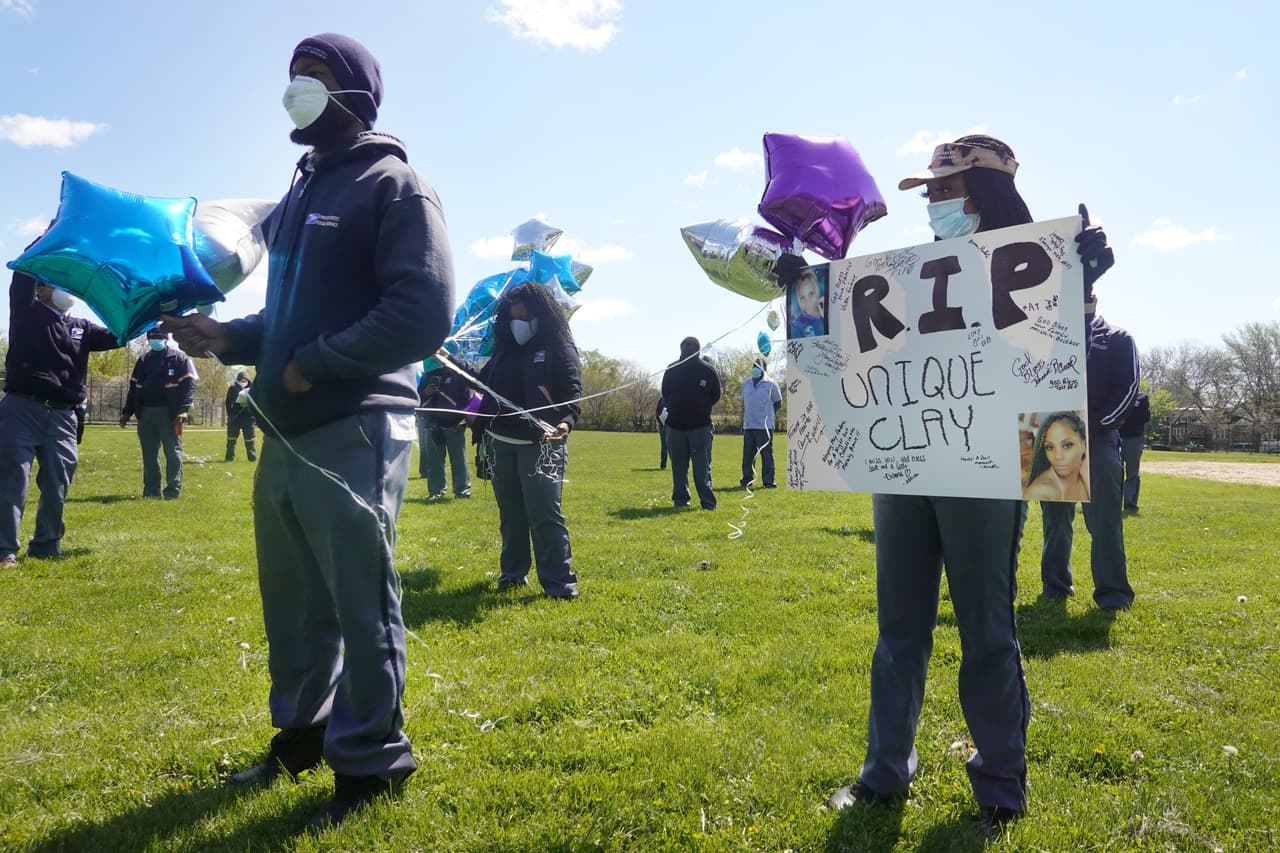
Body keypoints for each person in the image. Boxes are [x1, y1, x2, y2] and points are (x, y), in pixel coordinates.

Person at [162, 32, 454, 830]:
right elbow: (287, 314)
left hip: (356, 423)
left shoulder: (395, 186)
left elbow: (423, 311)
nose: (297, 91)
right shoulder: (298, 196)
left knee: (360, 599)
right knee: (293, 602)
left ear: (356, 91)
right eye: (292, 78)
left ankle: (372, 763)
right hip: (288, 430)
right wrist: (229, 337)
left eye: (315, 78)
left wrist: (315, 364)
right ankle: (303, 733)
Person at [825, 134, 1116, 832]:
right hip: (903, 463)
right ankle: (884, 771)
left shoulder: (1035, 266)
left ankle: (1000, 781)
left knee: (987, 627)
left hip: (986, 469)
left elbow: (1057, 359)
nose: (929, 203)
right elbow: (845, 353)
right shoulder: (905, 272)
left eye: (941, 190)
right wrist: (805, 291)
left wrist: (1086, 281)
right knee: (900, 625)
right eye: (927, 191)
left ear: (979, 193)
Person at [0, 269, 121, 567]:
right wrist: (50, 235)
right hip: (22, 409)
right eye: (56, 285)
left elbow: (120, 334)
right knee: (14, 480)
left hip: (64, 416)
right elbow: (23, 275)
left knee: (57, 482)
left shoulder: (82, 328)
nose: (65, 291)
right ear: (40, 290)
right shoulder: (27, 311)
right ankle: (5, 550)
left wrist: (149, 312)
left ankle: (46, 544)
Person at [475, 282, 580, 598]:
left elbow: (573, 394)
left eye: (523, 315)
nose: (517, 322)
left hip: (542, 445)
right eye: (512, 316)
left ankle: (559, 582)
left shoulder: (559, 348)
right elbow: (482, 382)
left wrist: (565, 422)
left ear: (540, 315)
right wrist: (450, 362)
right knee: (511, 513)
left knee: (545, 512)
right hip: (500, 443)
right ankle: (513, 574)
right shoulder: (503, 351)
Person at [1039, 306, 1139, 610]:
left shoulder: (1117, 338)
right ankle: (1055, 586)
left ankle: (1113, 593)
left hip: (1099, 440)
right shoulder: (1043, 338)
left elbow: (1128, 389)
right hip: (1053, 438)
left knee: (1105, 522)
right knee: (1055, 521)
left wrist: (1092, 427)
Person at [119, 330, 196, 500]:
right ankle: (151, 491)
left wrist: (183, 410)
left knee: (173, 452)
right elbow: (133, 389)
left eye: (158, 338)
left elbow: (189, 387)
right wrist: (127, 411)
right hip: (146, 413)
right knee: (149, 454)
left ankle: (173, 491)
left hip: (170, 414)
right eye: (151, 338)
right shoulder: (143, 361)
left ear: (166, 339)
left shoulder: (179, 359)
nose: (154, 340)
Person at [660, 337, 721, 509]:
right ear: (680, 349)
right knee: (678, 469)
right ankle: (681, 500)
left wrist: (701, 407)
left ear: (698, 349)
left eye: (691, 347)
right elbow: (666, 392)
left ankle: (708, 502)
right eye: (685, 346)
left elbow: (716, 394)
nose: (688, 349)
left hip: (700, 427)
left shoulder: (707, 370)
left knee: (702, 468)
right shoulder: (672, 369)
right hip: (675, 426)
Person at [418, 363, 474, 499]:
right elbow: (416, 398)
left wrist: (464, 421)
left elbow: (468, 402)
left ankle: (462, 490)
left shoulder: (459, 376)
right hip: (432, 424)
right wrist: (425, 393)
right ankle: (436, 491)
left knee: (459, 459)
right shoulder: (428, 376)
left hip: (455, 425)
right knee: (434, 461)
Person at [1022, 412, 1091, 502]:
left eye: (1067, 445)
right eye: (1050, 447)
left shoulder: (1093, 472)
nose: (1058, 456)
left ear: (1084, 444)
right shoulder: (1040, 491)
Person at [740, 356, 782, 488]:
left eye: (758, 367)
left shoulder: (771, 384)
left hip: (764, 426)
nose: (755, 369)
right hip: (749, 425)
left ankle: (768, 481)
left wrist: (767, 415)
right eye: (754, 366)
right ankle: (747, 479)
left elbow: (778, 403)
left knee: (766, 454)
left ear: (764, 369)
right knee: (748, 455)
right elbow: (745, 402)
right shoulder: (746, 384)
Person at [1118, 391, 1150, 511]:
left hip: (1134, 439)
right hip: (1117, 437)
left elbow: (1145, 417)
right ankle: (1114, 502)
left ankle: (1130, 503)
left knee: (1132, 473)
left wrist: (1127, 413)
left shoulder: (1142, 398)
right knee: (1115, 472)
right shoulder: (1119, 393)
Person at [225, 370, 257, 462]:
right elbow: (228, 403)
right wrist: (230, 415)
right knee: (231, 439)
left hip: (248, 418)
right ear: (238, 379)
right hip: (235, 417)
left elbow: (256, 402)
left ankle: (252, 458)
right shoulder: (232, 388)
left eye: (245, 379)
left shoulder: (252, 389)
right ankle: (229, 458)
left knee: (250, 440)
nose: (243, 381)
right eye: (241, 379)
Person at [790, 268, 825, 338]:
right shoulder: (798, 325)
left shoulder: (829, 310)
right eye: (802, 298)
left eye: (811, 294)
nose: (807, 302)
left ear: (817, 293)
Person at [655, 395, 669, 470]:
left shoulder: (674, 397)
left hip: (673, 425)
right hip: (663, 425)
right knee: (664, 446)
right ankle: (663, 465)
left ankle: (678, 466)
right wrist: (660, 418)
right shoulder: (661, 399)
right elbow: (657, 412)